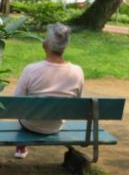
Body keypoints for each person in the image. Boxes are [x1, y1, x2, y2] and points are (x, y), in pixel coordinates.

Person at [13, 23, 84, 159]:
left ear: (45, 45)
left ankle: (21, 147)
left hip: (30, 125)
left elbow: (17, 102)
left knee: (22, 109)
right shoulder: (77, 72)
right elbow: (77, 101)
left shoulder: (31, 70)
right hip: (56, 125)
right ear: (65, 46)